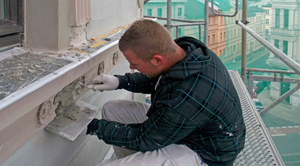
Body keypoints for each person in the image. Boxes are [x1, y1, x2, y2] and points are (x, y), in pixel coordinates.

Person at [86, 19, 246, 166]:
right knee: (112, 109)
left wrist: (95, 127)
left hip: (205, 154)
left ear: (157, 60)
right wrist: (120, 82)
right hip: (188, 131)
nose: (131, 68)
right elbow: (159, 78)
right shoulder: (188, 55)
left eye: (134, 64)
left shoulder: (184, 98)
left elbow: (144, 138)